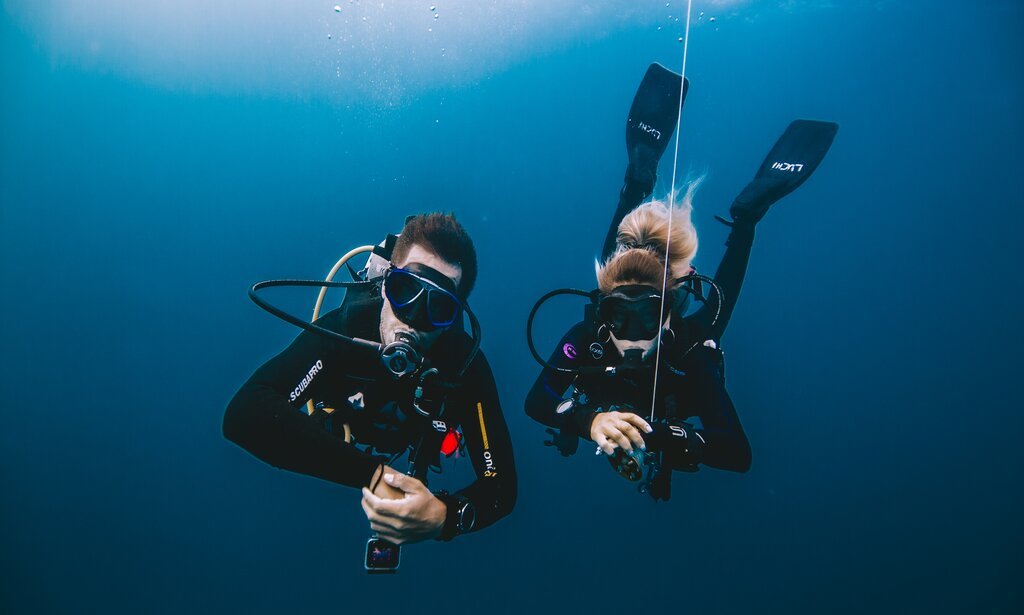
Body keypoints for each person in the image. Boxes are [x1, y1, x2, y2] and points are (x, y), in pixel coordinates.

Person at [524, 64, 837, 499]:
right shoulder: (592, 336)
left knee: (708, 320)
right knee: (670, 300)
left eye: (647, 317)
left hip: (678, 343)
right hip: (645, 327)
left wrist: (661, 436)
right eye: (618, 316)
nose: (631, 335)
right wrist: (589, 421)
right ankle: (722, 210)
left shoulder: (690, 353)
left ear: (668, 310)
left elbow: (738, 454)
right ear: (605, 315)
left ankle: (696, 204)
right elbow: (536, 403)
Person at [224, 213, 516, 560]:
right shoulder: (345, 333)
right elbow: (245, 414)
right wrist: (375, 477)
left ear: (453, 319)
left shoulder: (463, 365)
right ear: (384, 284)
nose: (413, 318)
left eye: (438, 308)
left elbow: (501, 487)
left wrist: (445, 517)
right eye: (405, 291)